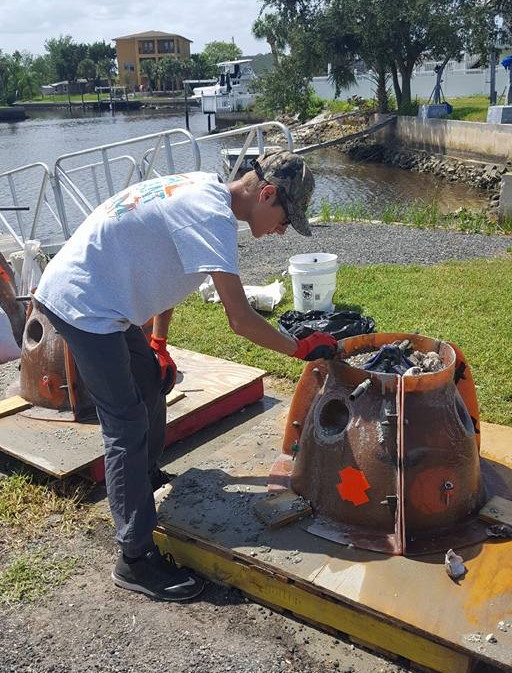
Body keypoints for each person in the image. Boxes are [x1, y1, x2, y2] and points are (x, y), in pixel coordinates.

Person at [33, 150, 338, 603]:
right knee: (125, 425)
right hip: (84, 305)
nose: (281, 230)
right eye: (284, 218)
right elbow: (240, 319)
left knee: (152, 380)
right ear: (267, 193)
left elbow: (170, 273)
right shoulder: (212, 217)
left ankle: (145, 476)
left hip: (106, 300)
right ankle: (134, 560)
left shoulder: (202, 190)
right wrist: (299, 349)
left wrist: (158, 343)